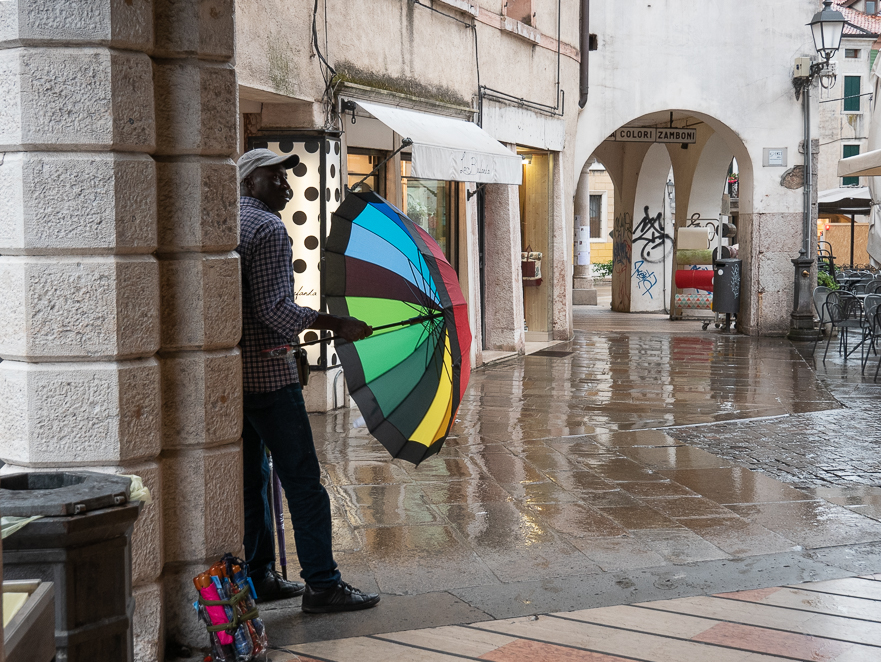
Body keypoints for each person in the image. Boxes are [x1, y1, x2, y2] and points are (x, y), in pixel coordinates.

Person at [236, 148, 380, 613]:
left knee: (251, 481)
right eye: (274, 176)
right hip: (269, 376)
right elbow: (275, 311)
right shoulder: (270, 228)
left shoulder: (230, 220)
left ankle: (257, 575)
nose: (286, 185)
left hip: (234, 376)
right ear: (248, 182)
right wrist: (335, 323)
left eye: (286, 177)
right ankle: (322, 583)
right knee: (303, 481)